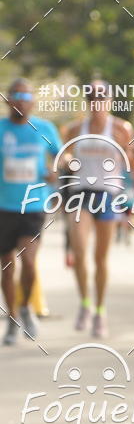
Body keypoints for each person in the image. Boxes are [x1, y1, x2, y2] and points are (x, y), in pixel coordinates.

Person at [62, 79, 134, 338]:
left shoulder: (120, 127)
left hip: (108, 193)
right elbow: (65, 155)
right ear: (88, 102)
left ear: (110, 100)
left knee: (100, 258)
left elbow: (131, 163)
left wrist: (126, 148)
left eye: (101, 98)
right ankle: (85, 303)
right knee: (80, 252)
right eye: (92, 98)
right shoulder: (73, 129)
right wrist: (68, 161)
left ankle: (100, 311)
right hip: (80, 192)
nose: (97, 103)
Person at [0, 78, 61, 345]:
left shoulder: (44, 127)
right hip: (3, 207)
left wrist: (56, 170)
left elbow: (63, 156)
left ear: (33, 102)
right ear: (8, 101)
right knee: (7, 268)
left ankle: (26, 307)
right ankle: (12, 318)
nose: (21, 102)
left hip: (34, 205)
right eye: (16, 96)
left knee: (29, 260)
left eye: (26, 97)